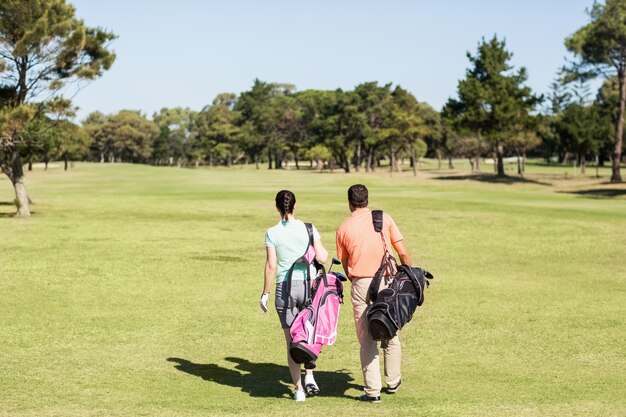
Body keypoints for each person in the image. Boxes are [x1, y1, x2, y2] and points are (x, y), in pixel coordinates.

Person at [335, 184, 412, 404]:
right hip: (388, 279)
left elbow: (346, 262)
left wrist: (356, 280)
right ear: (367, 200)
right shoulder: (384, 219)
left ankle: (372, 392)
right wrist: (409, 276)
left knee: (366, 339)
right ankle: (393, 381)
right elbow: (403, 252)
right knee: (391, 329)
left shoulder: (344, 227)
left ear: (349, 202)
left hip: (360, 283)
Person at [261, 190, 329, 402]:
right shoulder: (309, 228)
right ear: (295, 206)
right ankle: (309, 376)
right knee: (308, 335)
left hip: (285, 288)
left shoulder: (272, 232)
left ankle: (298, 390)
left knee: (291, 341)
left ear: (277, 207)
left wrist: (265, 293)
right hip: (309, 286)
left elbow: (271, 266)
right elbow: (323, 257)